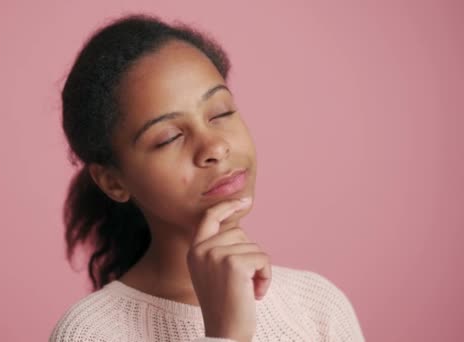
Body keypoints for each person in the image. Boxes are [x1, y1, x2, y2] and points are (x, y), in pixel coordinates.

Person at [49, 13, 365, 342]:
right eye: (169, 137)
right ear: (114, 181)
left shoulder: (316, 306)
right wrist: (227, 333)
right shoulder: (90, 333)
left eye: (221, 112)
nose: (215, 146)